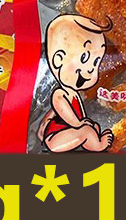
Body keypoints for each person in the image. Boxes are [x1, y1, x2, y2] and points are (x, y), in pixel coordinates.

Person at [38, 13, 114, 152]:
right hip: (57, 135)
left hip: (69, 131)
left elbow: (78, 115)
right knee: (86, 130)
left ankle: (93, 140)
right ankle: (98, 145)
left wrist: (82, 123)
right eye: (84, 58)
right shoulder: (60, 94)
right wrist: (78, 123)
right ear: (58, 60)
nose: (90, 69)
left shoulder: (74, 94)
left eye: (96, 62)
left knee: (92, 128)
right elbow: (64, 110)